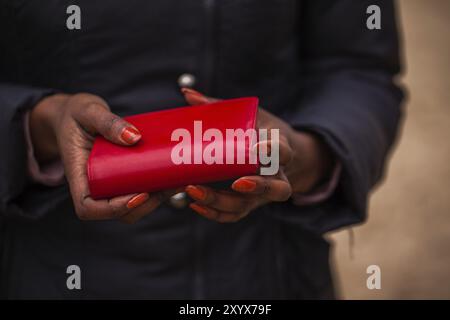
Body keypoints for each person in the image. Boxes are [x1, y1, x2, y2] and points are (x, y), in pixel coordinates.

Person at [0, 1, 403, 299]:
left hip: (266, 276)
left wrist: (307, 154)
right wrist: (41, 123)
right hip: (42, 272)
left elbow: (357, 66)